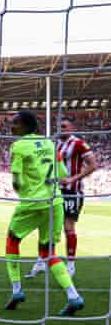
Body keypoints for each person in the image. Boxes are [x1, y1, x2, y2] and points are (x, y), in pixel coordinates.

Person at [4, 110, 83, 316]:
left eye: (15, 123)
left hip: (32, 202)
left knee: (12, 241)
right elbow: (63, 173)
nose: (11, 126)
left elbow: (16, 180)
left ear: (25, 126)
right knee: (48, 253)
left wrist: (22, 190)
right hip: (55, 202)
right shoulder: (50, 143)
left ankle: (16, 290)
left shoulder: (18, 145)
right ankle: (73, 296)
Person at [25, 116, 97, 278]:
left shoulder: (79, 144)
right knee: (46, 227)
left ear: (71, 128)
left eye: (64, 126)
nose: (61, 129)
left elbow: (93, 165)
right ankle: (42, 261)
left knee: (68, 227)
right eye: (59, 126)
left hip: (72, 191)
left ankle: (70, 265)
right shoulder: (53, 143)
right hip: (53, 192)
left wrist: (72, 179)